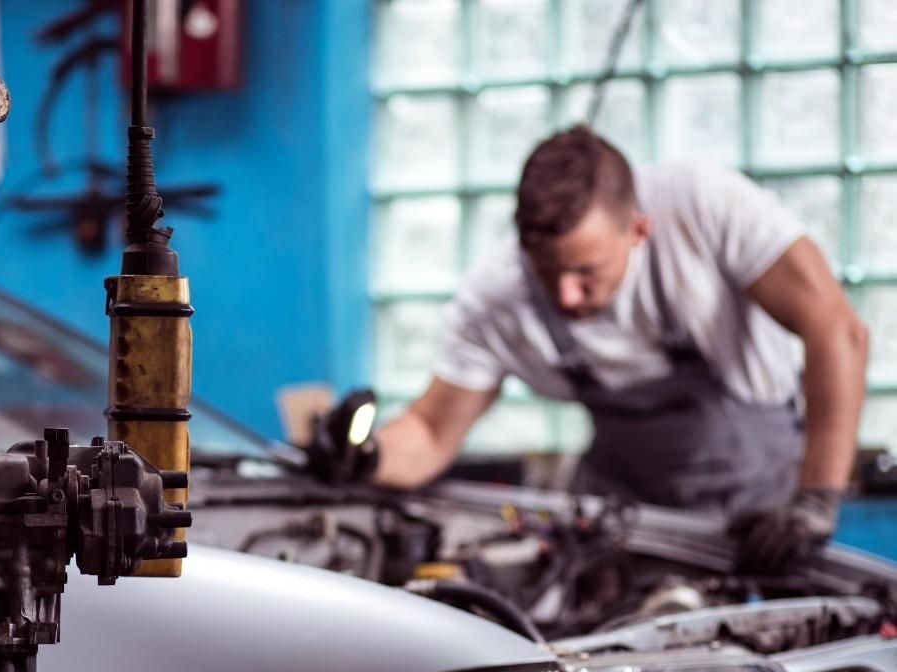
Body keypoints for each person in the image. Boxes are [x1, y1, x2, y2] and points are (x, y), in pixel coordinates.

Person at [313, 126, 869, 576]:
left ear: (640, 230)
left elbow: (837, 333)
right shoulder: (495, 297)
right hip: (628, 524)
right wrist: (368, 456)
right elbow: (433, 433)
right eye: (547, 272)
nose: (565, 296)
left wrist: (815, 501)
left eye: (586, 272)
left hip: (764, 518)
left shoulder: (705, 207)